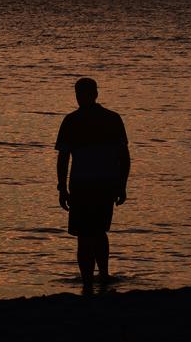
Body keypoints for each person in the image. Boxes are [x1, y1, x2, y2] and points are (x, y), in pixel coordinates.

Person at [55, 77, 131, 290]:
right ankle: (101, 277)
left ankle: (90, 281)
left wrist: (62, 187)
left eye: (80, 94)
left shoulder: (72, 120)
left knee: (86, 234)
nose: (79, 98)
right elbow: (124, 157)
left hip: (85, 185)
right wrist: (122, 184)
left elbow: (63, 158)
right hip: (101, 185)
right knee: (97, 232)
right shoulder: (112, 119)